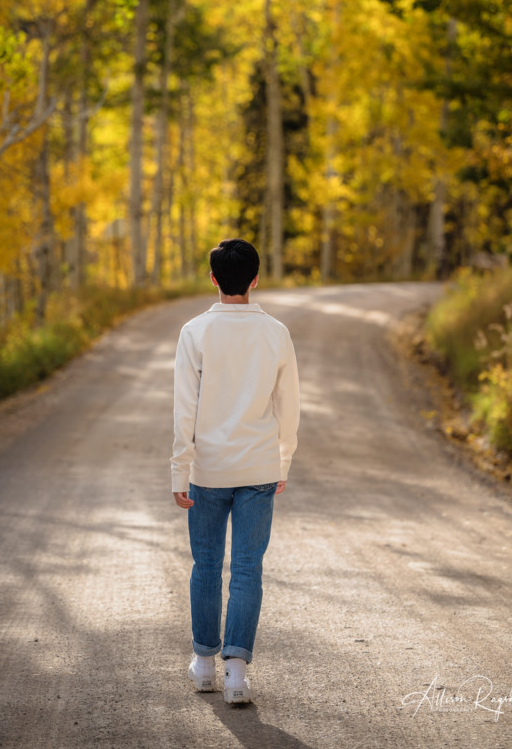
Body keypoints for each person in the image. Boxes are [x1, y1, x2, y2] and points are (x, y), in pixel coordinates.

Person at [171, 237, 300, 704]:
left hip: (206, 469)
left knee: (206, 564)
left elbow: (184, 411)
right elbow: (289, 406)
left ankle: (204, 664)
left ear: (213, 279)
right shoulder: (276, 332)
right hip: (259, 466)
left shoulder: (194, 332)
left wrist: (177, 472)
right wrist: (283, 459)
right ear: (255, 278)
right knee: (247, 568)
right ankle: (236, 675)